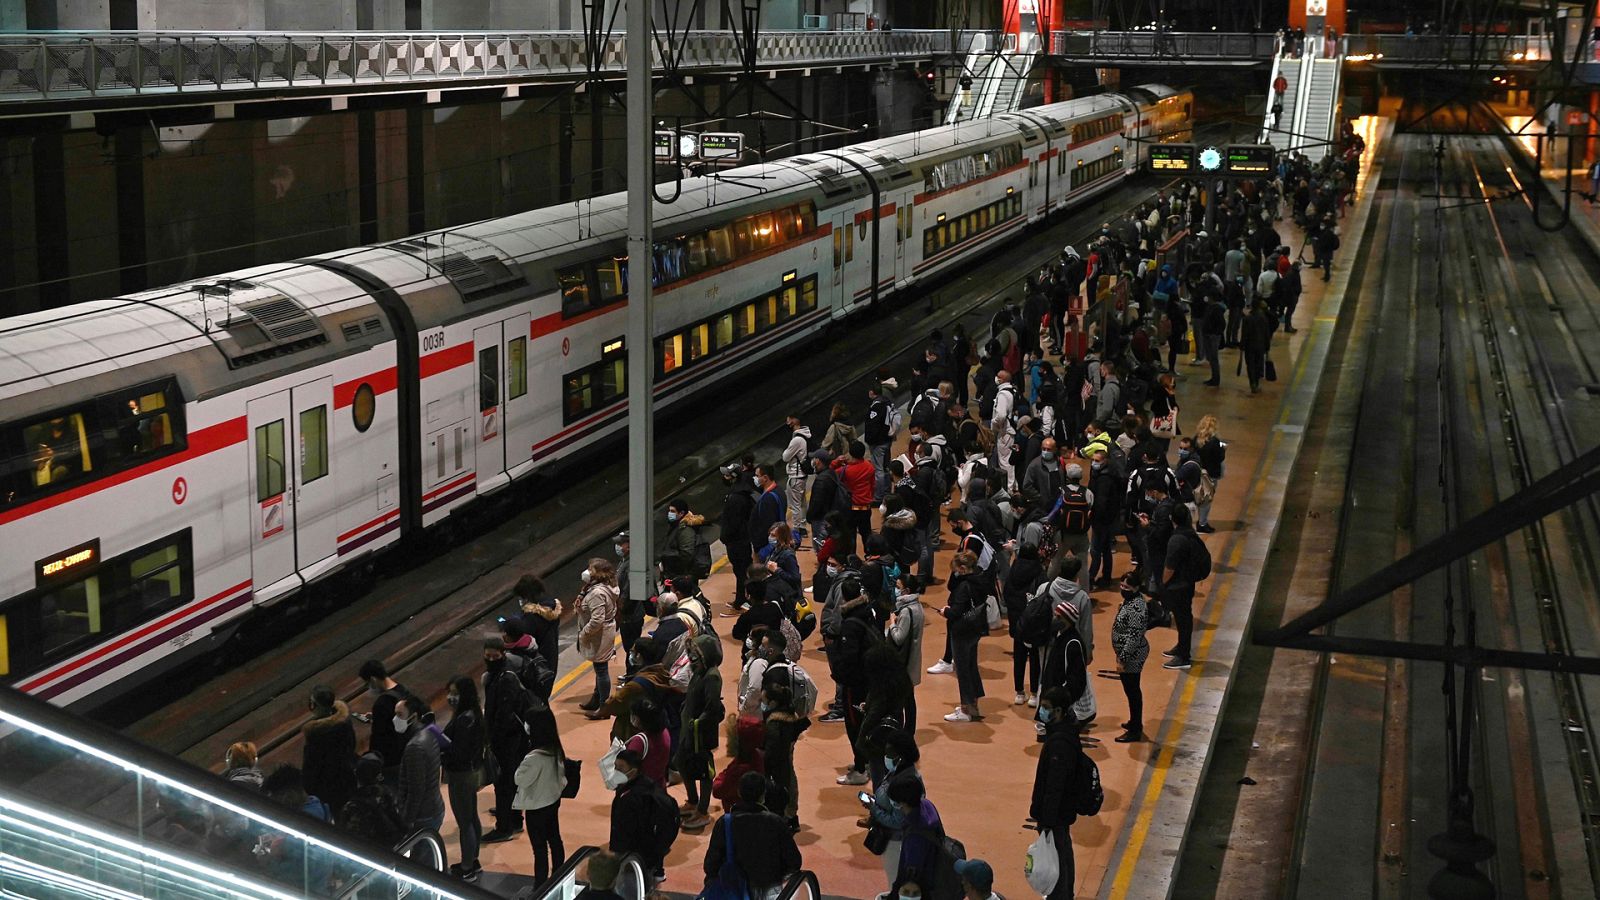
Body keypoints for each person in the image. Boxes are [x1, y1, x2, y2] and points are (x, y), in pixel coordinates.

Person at [703, 771, 803, 900]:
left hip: (733, 891)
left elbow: (711, 864)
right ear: (763, 795)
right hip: (769, 890)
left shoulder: (725, 823)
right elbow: (794, 861)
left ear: (739, 793)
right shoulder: (775, 822)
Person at [1031, 687, 1084, 900]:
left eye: (1046, 708)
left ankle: (1060, 896)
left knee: (1057, 859)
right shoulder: (1067, 733)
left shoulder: (1059, 744)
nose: (1041, 712)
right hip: (1062, 812)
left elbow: (1054, 786)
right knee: (1063, 853)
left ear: (1059, 711)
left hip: (1056, 815)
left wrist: (1047, 820)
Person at [482, 637, 532, 843]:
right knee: (510, 781)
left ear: (503, 654)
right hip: (511, 738)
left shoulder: (505, 679)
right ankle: (515, 819)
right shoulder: (497, 676)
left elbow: (504, 714)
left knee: (503, 783)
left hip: (508, 740)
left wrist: (492, 738)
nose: (491, 660)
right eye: (488, 656)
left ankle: (504, 827)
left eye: (495, 656)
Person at [514, 705, 568, 884]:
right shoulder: (555, 749)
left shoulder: (534, 758)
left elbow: (520, 779)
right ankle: (558, 876)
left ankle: (540, 884)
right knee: (555, 839)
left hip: (536, 806)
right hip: (552, 800)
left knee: (539, 848)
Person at [608, 748, 677, 885]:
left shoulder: (633, 798)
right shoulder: (647, 785)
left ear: (633, 771)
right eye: (615, 766)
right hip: (647, 855)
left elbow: (628, 831)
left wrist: (619, 853)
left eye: (620, 768)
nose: (615, 771)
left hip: (635, 856)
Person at [678, 635, 726, 831]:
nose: (691, 657)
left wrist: (697, 723)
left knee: (704, 771)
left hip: (700, 733)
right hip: (689, 729)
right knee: (682, 762)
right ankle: (692, 800)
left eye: (695, 654)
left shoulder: (712, 676)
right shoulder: (699, 672)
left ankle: (702, 810)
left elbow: (712, 707)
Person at [940, 551, 989, 723]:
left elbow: (955, 612)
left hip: (961, 631)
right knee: (971, 666)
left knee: (963, 670)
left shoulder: (963, 587)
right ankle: (973, 705)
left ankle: (965, 709)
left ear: (962, 568)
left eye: (955, 570)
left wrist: (945, 611)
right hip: (975, 629)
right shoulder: (980, 579)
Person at [1161, 504, 1207, 670]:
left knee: (1183, 619)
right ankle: (1181, 647)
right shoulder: (1189, 533)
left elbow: (1170, 567)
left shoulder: (1176, 540)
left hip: (1178, 586)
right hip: (1187, 583)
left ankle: (1183, 656)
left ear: (1172, 519)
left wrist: (1163, 583)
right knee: (1183, 619)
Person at [760, 682, 810, 830]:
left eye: (764, 700)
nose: (762, 703)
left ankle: (784, 818)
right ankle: (791, 816)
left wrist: (765, 767)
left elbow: (772, 750)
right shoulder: (789, 716)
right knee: (791, 784)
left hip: (778, 765)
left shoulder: (775, 723)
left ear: (773, 702)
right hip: (786, 759)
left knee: (783, 790)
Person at [392, 696, 445, 833]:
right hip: (434, 806)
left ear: (414, 716)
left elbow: (416, 790)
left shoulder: (414, 747)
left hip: (423, 816)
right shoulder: (429, 732)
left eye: (400, 715)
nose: (395, 719)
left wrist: (407, 819)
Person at [356, 659, 414, 782]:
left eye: (367, 684)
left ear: (373, 680)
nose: (368, 688)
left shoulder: (382, 703)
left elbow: (378, 738)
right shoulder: (403, 690)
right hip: (407, 751)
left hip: (392, 759)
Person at [577, 558, 621, 712]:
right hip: (603, 633)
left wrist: (584, 633)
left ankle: (604, 706)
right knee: (599, 667)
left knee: (601, 670)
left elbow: (597, 620)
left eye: (591, 569)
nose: (587, 572)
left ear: (599, 573)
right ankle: (597, 699)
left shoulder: (597, 593)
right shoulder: (603, 586)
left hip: (600, 635)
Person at [1111, 579, 1151, 743]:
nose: (1122, 589)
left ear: (1136, 588)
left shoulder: (1136, 608)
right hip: (1128, 653)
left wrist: (1122, 659)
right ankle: (1134, 721)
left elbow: (1134, 637)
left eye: (1126, 587)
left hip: (1132, 656)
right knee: (1131, 690)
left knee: (1132, 691)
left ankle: (1135, 729)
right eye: (1121, 585)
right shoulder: (1133, 600)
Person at [338, 752, 406, 845]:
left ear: (355, 772)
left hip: (367, 849)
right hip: (393, 847)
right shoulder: (390, 795)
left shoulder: (352, 806)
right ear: (379, 776)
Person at [887, 577, 926, 727]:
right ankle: (909, 729)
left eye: (898, 587)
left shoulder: (906, 611)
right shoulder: (918, 606)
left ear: (907, 590)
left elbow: (898, 638)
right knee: (909, 699)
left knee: (899, 699)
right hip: (913, 658)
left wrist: (892, 623)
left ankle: (900, 729)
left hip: (904, 662)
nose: (896, 590)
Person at [720, 466, 758, 611]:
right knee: (741, 571)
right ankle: (741, 598)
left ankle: (745, 600)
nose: (724, 478)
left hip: (736, 541)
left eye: (727, 476)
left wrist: (725, 537)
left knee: (741, 571)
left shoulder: (736, 497)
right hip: (741, 539)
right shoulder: (743, 493)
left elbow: (733, 522)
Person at [512, 574, 563, 675]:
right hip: (551, 658)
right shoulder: (552, 607)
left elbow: (523, 637)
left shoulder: (531, 617)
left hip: (537, 664)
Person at [624, 698, 673, 785]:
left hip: (641, 788)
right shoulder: (665, 732)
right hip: (659, 784)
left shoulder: (639, 741)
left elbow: (626, 770)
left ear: (638, 719)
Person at [782, 415, 814, 545]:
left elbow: (785, 457)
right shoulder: (805, 435)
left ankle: (798, 529)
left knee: (795, 505)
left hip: (795, 476)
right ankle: (803, 526)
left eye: (789, 419)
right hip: (802, 475)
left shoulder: (797, 440)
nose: (787, 422)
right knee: (802, 503)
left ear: (795, 420)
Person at [1191, 415, 1224, 534]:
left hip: (1197, 472)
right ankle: (1202, 523)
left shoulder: (1195, 439)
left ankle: (1192, 521)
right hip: (1210, 475)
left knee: (1195, 497)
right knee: (1206, 500)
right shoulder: (1215, 442)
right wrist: (1223, 449)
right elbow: (1220, 457)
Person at [659, 498, 705, 582]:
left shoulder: (685, 530)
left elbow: (686, 555)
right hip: (675, 575)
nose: (669, 513)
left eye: (673, 511)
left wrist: (666, 557)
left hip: (682, 577)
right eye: (669, 511)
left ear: (681, 513)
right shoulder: (676, 526)